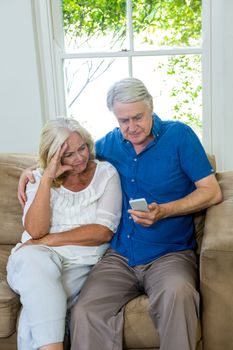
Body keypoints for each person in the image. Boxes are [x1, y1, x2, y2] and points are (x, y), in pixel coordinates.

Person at [18, 78, 222, 350]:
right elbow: (72, 156)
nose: (131, 127)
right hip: (119, 257)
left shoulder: (179, 136)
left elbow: (211, 192)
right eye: (123, 120)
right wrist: (33, 170)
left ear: (151, 107)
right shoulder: (109, 145)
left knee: (178, 294)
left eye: (137, 117)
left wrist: (164, 211)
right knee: (85, 311)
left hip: (169, 253)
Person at [7, 117, 122, 350]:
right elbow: (36, 231)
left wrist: (48, 240)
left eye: (82, 148)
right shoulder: (38, 178)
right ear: (54, 156)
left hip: (81, 261)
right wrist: (47, 179)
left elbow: (102, 232)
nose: (80, 158)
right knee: (35, 265)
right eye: (69, 154)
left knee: (40, 304)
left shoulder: (105, 173)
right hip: (34, 257)